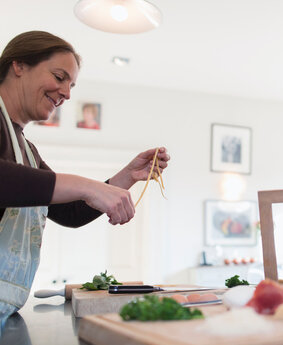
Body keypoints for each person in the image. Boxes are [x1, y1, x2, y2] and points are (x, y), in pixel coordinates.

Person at [0, 31, 170, 328]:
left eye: (71, 84)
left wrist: (125, 177)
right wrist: (88, 186)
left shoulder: (27, 150)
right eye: (59, 76)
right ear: (19, 66)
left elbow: (69, 212)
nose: (66, 92)